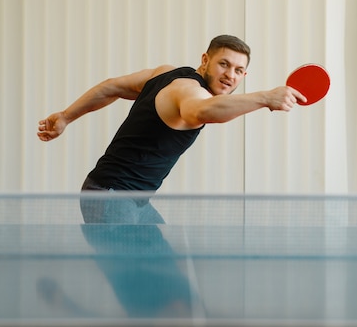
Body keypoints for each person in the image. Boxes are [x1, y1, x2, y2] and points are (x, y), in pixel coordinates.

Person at [37, 34, 306, 223]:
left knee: (164, 280)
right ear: (205, 59)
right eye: (224, 64)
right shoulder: (188, 90)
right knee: (137, 287)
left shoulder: (167, 72)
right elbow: (202, 111)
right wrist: (264, 98)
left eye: (238, 70)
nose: (230, 75)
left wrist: (65, 116)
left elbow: (112, 86)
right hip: (112, 198)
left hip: (128, 198)